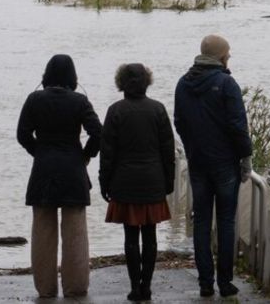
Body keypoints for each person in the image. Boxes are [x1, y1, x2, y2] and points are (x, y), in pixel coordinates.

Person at [17, 54, 102, 298]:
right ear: (72, 77)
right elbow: (98, 132)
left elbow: (22, 134)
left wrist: (39, 152)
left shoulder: (34, 100)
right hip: (72, 170)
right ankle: (75, 287)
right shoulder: (79, 101)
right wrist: (85, 155)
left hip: (43, 170)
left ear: (47, 75)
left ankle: (46, 288)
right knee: (75, 233)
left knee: (43, 233)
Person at [173, 34, 253, 298]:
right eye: (228, 53)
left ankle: (205, 282)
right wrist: (245, 157)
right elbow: (238, 126)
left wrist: (192, 147)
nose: (229, 57)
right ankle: (226, 282)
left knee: (202, 222)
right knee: (226, 221)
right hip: (224, 164)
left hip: (198, 163)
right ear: (221, 56)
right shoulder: (227, 84)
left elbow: (179, 121)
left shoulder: (183, 84)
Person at [99, 63, 176, 301]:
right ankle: (147, 285)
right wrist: (168, 181)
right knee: (150, 235)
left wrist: (105, 181)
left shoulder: (115, 111)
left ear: (121, 82)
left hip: (124, 181)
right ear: (147, 82)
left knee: (130, 236)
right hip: (153, 179)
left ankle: (134, 286)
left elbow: (108, 152)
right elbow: (167, 150)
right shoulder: (158, 109)